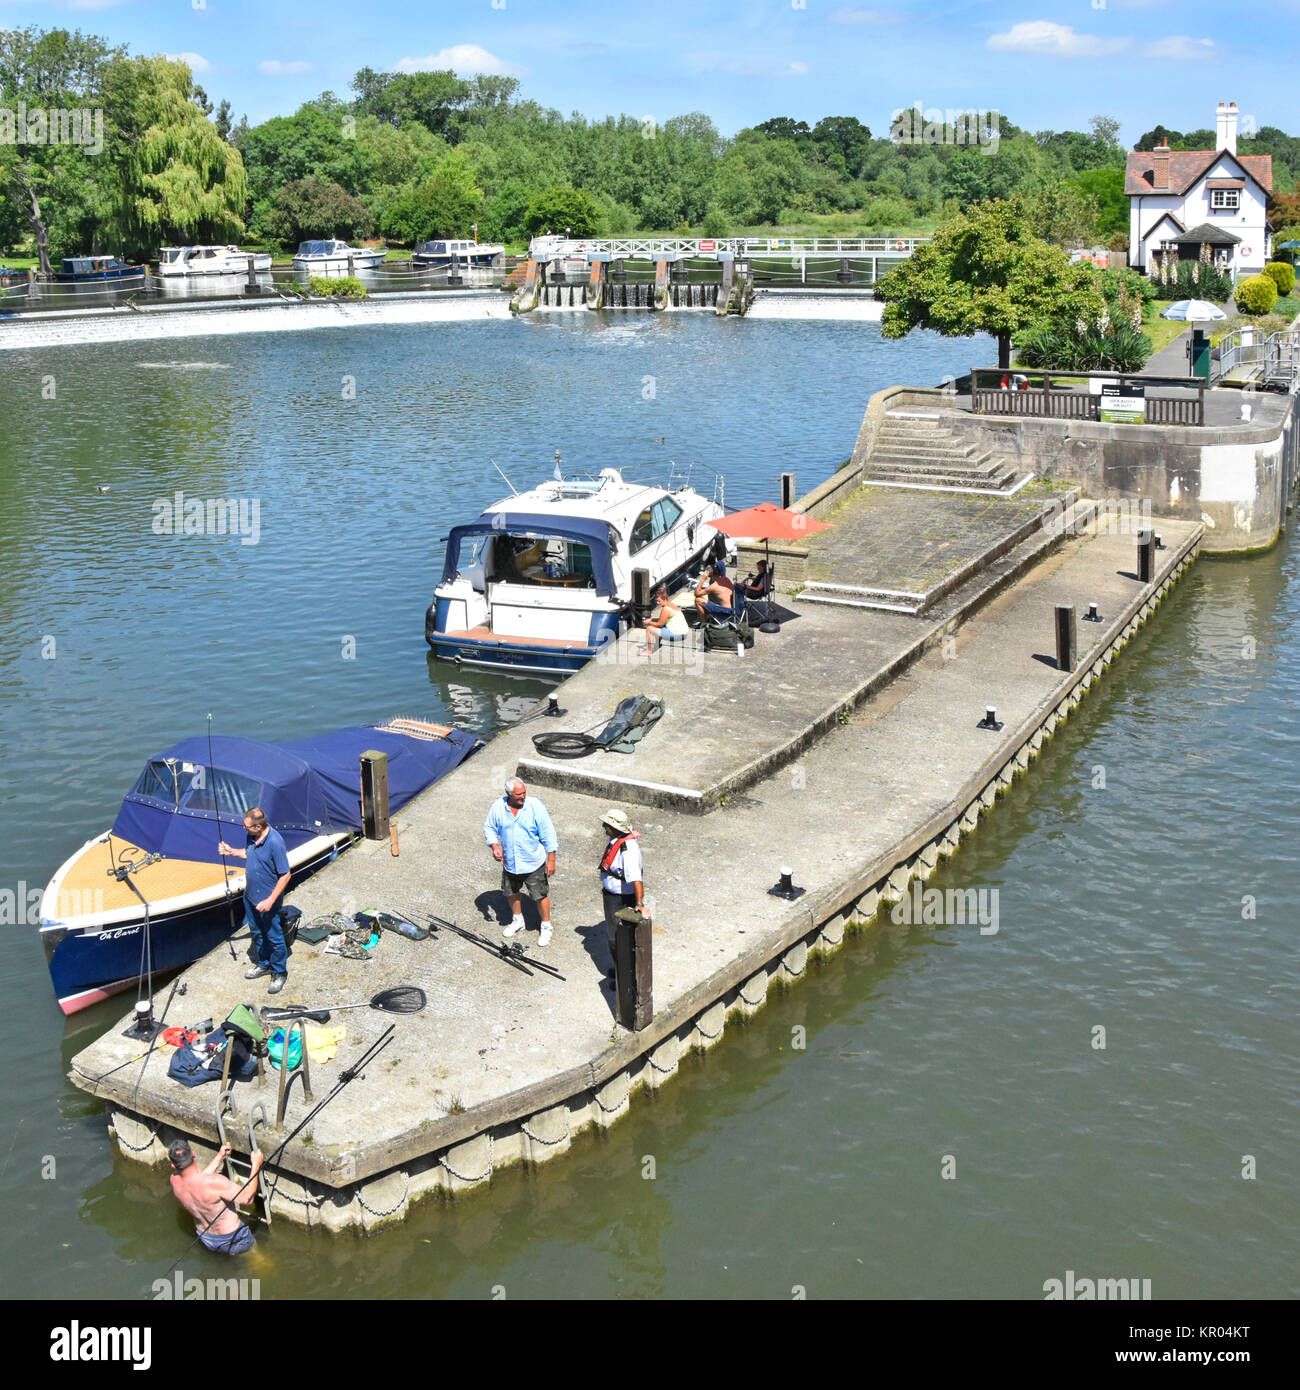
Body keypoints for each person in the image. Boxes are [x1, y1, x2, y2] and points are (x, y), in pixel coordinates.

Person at [219, 807, 292, 995]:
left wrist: (269, 901)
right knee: (257, 933)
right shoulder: (252, 836)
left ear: (258, 826)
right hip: (250, 897)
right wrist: (231, 851)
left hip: (268, 900)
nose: (244, 829)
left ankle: (279, 972)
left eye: (247, 827)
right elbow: (249, 853)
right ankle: (264, 964)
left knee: (274, 937)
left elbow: (285, 875)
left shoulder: (275, 842)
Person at [484, 777, 558, 947]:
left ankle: (546, 926)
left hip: (533, 862)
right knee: (511, 892)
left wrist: (551, 859)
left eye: (524, 793)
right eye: (518, 795)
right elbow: (489, 827)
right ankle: (518, 920)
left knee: (540, 895)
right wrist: (494, 846)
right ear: (508, 794)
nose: (522, 797)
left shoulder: (535, 806)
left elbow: (548, 832)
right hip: (511, 862)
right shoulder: (498, 807)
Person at [168, 1138, 263, 1256]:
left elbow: (199, 1181)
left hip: (206, 1238)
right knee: (257, 1258)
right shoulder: (216, 1182)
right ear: (194, 1154)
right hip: (233, 1238)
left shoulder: (174, 1180)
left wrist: (220, 1157)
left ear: (173, 1165)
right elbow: (247, 1198)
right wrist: (256, 1164)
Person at [598, 809, 644, 976]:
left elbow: (636, 879)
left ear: (616, 828)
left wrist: (639, 904)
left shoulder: (627, 850)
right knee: (616, 938)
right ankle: (620, 970)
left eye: (608, 825)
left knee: (616, 939)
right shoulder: (617, 840)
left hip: (620, 898)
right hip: (613, 895)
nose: (604, 826)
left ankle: (625, 976)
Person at [638, 584, 689, 654]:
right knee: (654, 623)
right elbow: (663, 620)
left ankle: (649, 652)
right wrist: (652, 620)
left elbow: (660, 624)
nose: (657, 603)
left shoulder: (666, 609)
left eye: (659, 601)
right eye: (657, 601)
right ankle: (657, 645)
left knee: (649, 629)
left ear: (665, 599)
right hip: (684, 633)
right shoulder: (671, 604)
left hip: (678, 635)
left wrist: (648, 622)